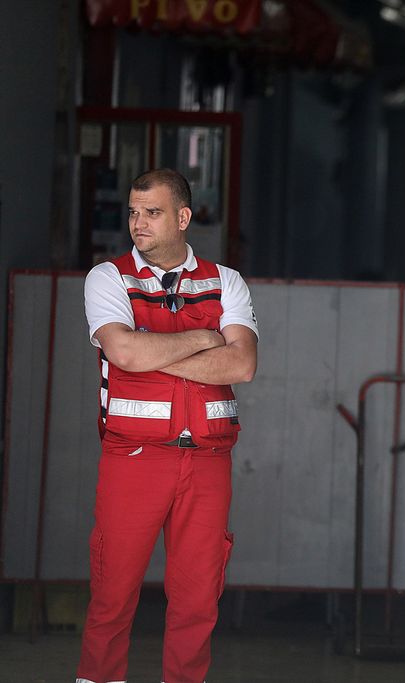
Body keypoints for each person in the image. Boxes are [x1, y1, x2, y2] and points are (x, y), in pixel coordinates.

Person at [78, 169, 259, 683]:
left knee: (198, 606)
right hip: (133, 459)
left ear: (183, 217)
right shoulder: (108, 277)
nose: (138, 223)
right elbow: (124, 350)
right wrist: (207, 338)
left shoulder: (226, 280)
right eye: (133, 212)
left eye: (152, 213)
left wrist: (149, 356)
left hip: (207, 463)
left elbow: (242, 365)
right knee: (111, 599)